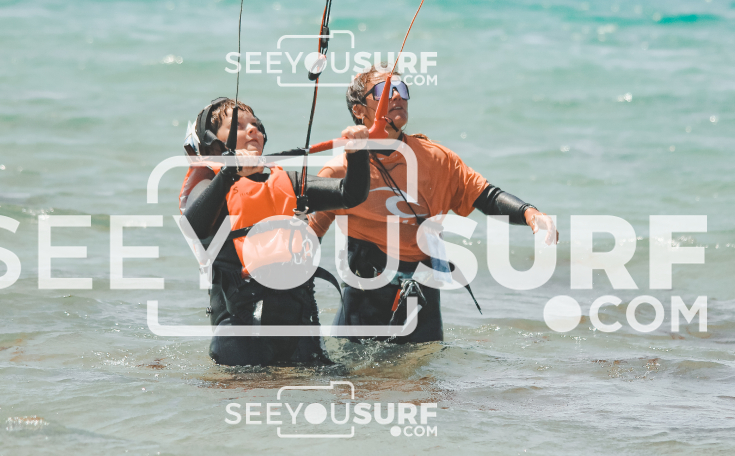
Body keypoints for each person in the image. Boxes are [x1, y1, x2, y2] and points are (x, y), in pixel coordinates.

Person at [309, 65, 559, 344]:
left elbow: (485, 196)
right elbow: (309, 237)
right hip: (363, 305)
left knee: (428, 371)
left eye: (401, 90)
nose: (397, 96)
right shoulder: (340, 170)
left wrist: (530, 214)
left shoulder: (437, 159)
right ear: (359, 110)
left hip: (422, 301)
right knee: (357, 372)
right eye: (384, 91)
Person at [180, 98, 370, 366]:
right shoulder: (209, 183)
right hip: (241, 334)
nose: (253, 129)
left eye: (256, 125)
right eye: (238, 126)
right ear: (213, 144)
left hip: (299, 328)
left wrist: (358, 154)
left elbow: (350, 195)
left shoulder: (287, 181)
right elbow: (194, 226)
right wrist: (228, 173)